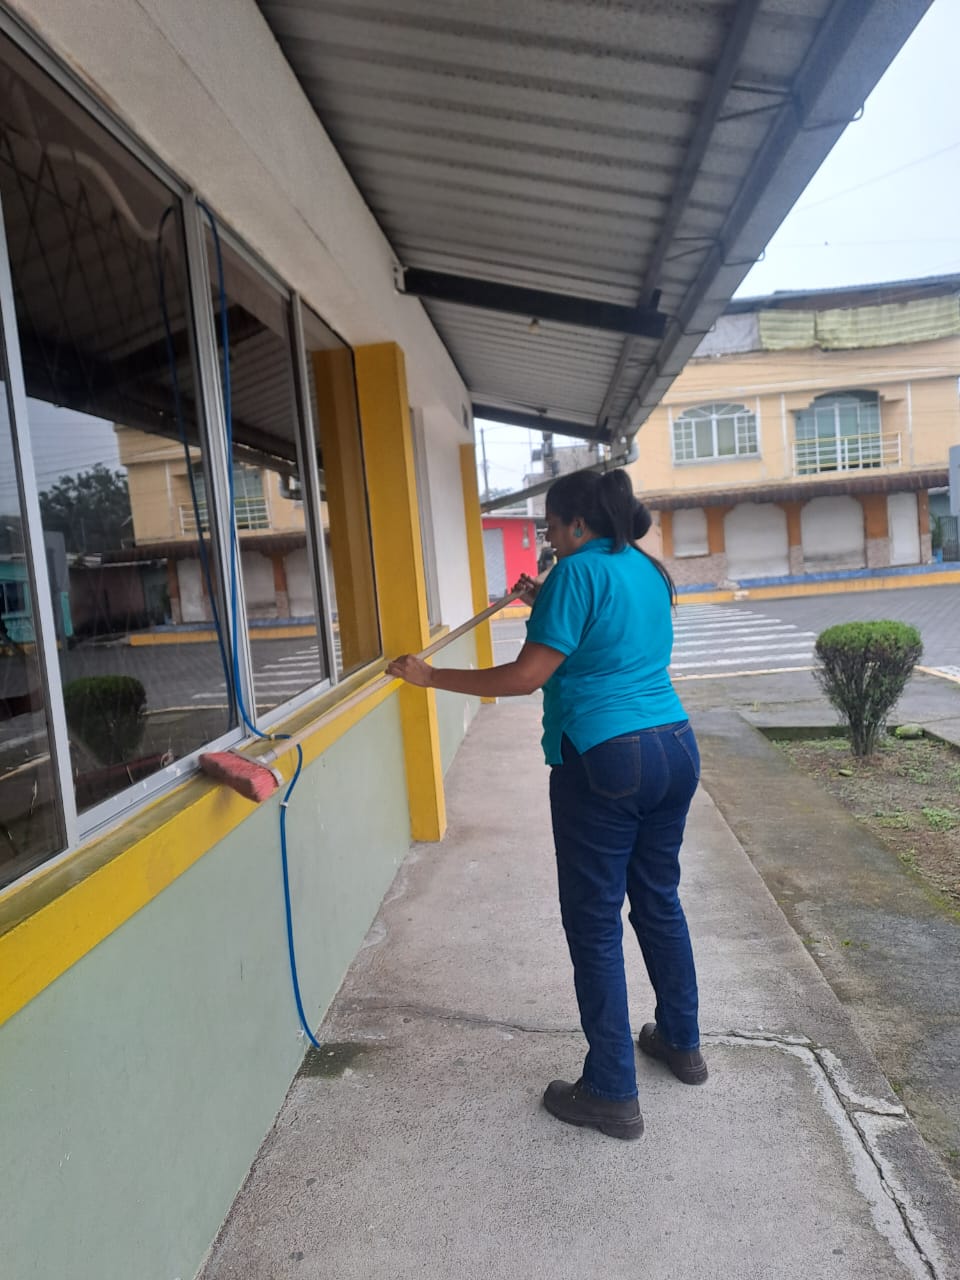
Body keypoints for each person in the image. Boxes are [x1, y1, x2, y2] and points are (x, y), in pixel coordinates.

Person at [386, 468, 704, 1141]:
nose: (549, 540)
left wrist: (429, 675)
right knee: (657, 900)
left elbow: (526, 677)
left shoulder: (574, 573)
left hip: (605, 756)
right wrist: (543, 599)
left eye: (553, 528)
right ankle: (681, 1042)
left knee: (594, 923)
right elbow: (605, 635)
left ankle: (612, 1090)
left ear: (578, 524)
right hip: (675, 745)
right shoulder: (644, 567)